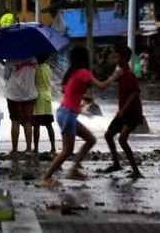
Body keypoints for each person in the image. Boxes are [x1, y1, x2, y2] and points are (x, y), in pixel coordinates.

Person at [41, 47, 120, 187]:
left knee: (90, 139)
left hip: (63, 112)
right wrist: (115, 75)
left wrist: (81, 96)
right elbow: (102, 86)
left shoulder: (71, 73)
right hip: (68, 115)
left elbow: (65, 90)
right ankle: (46, 178)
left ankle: (74, 169)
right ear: (85, 59)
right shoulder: (84, 72)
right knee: (67, 150)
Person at [98, 43, 144, 178]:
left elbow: (135, 93)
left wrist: (123, 110)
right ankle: (116, 163)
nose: (115, 60)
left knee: (122, 139)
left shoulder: (129, 74)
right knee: (108, 135)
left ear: (124, 58)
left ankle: (136, 171)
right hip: (123, 112)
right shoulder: (121, 73)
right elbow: (108, 82)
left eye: (117, 57)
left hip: (131, 112)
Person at [4, 57, 37, 156]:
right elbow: (35, 74)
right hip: (29, 94)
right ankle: (29, 150)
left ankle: (14, 150)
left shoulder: (11, 59)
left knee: (15, 121)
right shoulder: (33, 59)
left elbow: (6, 76)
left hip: (13, 95)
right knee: (28, 122)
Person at [33, 54, 56, 154]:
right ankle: (53, 147)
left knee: (36, 125)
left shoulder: (35, 69)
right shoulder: (48, 67)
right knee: (49, 125)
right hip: (48, 97)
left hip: (38, 98)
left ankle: (36, 148)